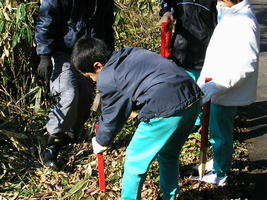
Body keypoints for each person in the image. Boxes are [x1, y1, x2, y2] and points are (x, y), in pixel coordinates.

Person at [71, 35, 203, 199]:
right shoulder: (130, 53)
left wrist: (101, 141)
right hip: (193, 98)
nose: (93, 80)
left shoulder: (107, 76)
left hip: (166, 107)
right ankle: (170, 197)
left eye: (90, 76)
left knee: (135, 160)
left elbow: (113, 114)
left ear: (98, 66)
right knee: (169, 154)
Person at [35, 0, 115, 168]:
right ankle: (52, 145)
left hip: (88, 54)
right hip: (63, 52)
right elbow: (45, 21)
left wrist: (108, 57)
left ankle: (71, 136)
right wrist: (44, 55)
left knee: (84, 101)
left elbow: (107, 26)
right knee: (69, 95)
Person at [196, 0, 260, 186]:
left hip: (225, 90)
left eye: (221, 1)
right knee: (217, 130)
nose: (218, 4)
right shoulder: (231, 15)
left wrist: (220, 84)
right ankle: (218, 161)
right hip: (217, 85)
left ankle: (221, 173)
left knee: (220, 134)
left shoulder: (244, 22)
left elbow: (246, 62)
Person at [159, 0, 217, 132]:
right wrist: (167, 12)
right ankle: (186, 121)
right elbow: (168, 4)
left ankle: (199, 122)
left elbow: (222, 22)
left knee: (200, 89)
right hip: (180, 49)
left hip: (204, 52)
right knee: (183, 88)